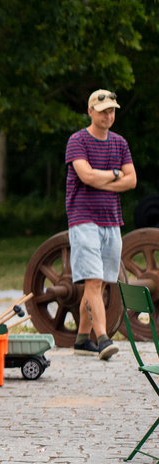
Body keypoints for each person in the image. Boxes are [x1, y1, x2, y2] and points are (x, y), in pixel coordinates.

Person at [65, 89, 135, 359]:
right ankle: (104, 340)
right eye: (104, 110)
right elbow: (86, 176)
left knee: (103, 283)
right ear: (90, 111)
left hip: (112, 220)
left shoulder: (120, 143)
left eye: (112, 110)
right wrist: (116, 175)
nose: (109, 115)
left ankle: (83, 339)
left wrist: (103, 177)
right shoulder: (77, 140)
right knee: (93, 281)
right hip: (83, 219)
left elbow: (132, 181)